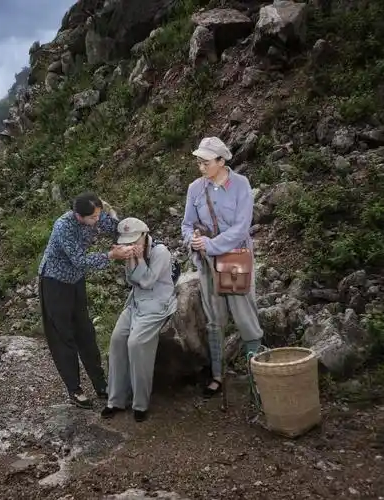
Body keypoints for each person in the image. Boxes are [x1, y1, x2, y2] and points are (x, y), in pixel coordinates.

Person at [180, 136, 264, 398]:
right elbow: (186, 224)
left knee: (246, 317)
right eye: (199, 161)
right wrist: (192, 240)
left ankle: (257, 378)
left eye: (205, 162)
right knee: (214, 319)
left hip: (235, 260)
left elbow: (241, 229)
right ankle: (217, 376)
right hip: (206, 265)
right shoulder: (195, 188)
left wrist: (210, 244)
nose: (200, 166)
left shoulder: (241, 185)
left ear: (221, 160)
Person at [38, 192, 131, 409]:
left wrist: (130, 239)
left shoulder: (97, 215)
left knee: (85, 332)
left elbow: (117, 228)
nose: (97, 221)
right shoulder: (64, 226)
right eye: (92, 218)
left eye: (99, 215)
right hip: (55, 282)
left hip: (76, 282)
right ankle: (74, 389)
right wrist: (111, 256)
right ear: (78, 216)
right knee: (63, 335)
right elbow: (79, 260)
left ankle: (100, 383)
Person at [101, 217, 178, 422]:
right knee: (118, 339)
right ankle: (115, 399)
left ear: (145, 235)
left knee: (136, 343)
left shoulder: (160, 252)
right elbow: (130, 280)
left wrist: (139, 260)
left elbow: (147, 281)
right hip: (135, 302)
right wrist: (130, 259)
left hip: (156, 303)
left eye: (135, 240)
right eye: (127, 241)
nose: (132, 244)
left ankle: (140, 403)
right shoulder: (130, 250)